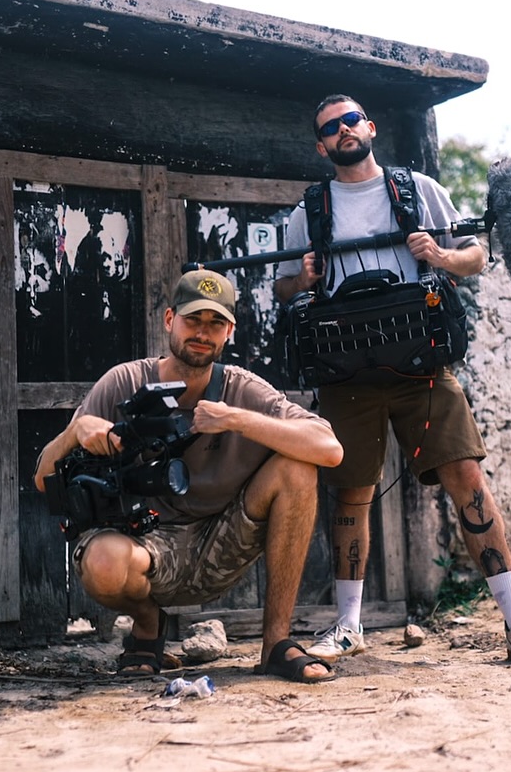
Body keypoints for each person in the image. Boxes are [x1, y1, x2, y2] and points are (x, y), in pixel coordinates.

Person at [272, 94, 511, 668]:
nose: (343, 131)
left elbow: (475, 257)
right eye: (330, 128)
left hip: (423, 367)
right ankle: (347, 626)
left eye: (351, 120)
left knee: (467, 480)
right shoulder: (306, 211)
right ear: (321, 145)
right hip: (347, 372)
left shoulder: (418, 190)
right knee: (351, 494)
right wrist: (302, 278)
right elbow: (285, 290)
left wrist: (438, 253)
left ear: (371, 127)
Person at [35, 268, 343, 683]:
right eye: (193, 320)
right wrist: (75, 432)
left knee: (298, 467)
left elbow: (330, 449)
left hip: (222, 540)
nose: (202, 332)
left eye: (215, 323)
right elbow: (42, 479)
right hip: (142, 541)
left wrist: (235, 419)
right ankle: (148, 626)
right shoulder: (124, 381)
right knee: (104, 562)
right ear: (169, 320)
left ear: (229, 332)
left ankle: (275, 644)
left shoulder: (241, 388)